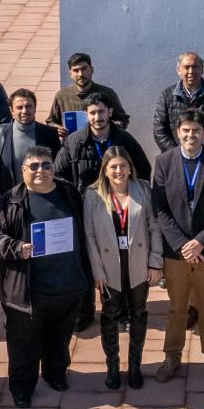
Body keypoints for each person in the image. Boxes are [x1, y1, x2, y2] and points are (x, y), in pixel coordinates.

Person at [0, 145, 94, 406]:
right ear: (23, 170)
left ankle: (55, 374)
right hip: (27, 290)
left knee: (60, 339)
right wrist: (15, 248)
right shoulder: (10, 201)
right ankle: (22, 387)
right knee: (23, 344)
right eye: (33, 166)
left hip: (69, 284)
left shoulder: (69, 193)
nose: (40, 171)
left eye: (46, 165)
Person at [149, 109, 204, 385]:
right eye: (186, 130)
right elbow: (160, 208)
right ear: (178, 132)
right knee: (177, 307)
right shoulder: (163, 162)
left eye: (196, 130)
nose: (191, 135)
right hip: (176, 252)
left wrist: (200, 242)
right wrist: (182, 243)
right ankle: (171, 355)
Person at [82, 146, 164, 390]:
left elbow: (154, 227)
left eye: (123, 166)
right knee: (109, 316)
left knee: (139, 314)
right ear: (105, 170)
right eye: (113, 167)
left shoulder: (142, 189)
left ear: (130, 168)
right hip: (108, 268)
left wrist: (155, 262)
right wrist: (97, 272)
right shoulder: (92, 195)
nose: (119, 171)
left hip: (138, 263)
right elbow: (89, 236)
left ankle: (135, 365)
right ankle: (113, 366)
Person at [56, 93, 152, 189]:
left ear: (110, 112)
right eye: (92, 113)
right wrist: (73, 199)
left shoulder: (125, 140)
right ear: (86, 115)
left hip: (119, 201)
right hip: (85, 201)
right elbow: (59, 174)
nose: (97, 118)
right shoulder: (73, 142)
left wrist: (132, 195)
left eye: (101, 112)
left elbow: (143, 170)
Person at [0, 88, 58, 192]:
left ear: (35, 108)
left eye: (28, 106)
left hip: (41, 195)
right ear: (11, 110)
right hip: (8, 199)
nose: (24, 111)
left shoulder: (50, 134)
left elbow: (56, 169)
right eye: (19, 107)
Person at [47, 52, 128, 136]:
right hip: (72, 146)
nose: (80, 74)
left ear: (92, 70)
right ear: (70, 74)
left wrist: (107, 127)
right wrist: (57, 129)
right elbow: (50, 122)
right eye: (76, 70)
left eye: (84, 69)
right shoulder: (62, 96)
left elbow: (123, 120)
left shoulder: (107, 93)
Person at [151, 51, 204, 154]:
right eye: (187, 67)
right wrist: (177, 153)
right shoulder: (167, 95)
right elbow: (159, 130)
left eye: (195, 67)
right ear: (179, 70)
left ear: (202, 69)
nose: (191, 71)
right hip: (174, 157)